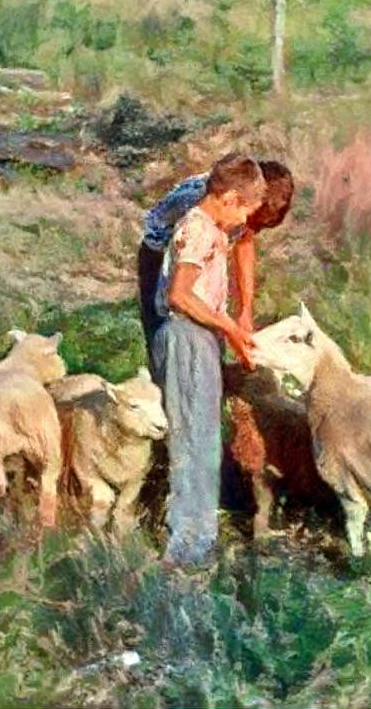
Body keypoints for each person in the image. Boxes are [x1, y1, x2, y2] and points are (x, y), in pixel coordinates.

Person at [148, 153, 267, 567]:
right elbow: (180, 294)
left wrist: (229, 327)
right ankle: (186, 550)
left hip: (200, 337)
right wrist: (230, 327)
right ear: (231, 199)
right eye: (246, 212)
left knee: (204, 439)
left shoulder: (212, 230)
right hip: (187, 336)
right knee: (193, 442)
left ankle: (197, 539)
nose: (244, 223)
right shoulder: (197, 229)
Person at [137, 159, 295, 362]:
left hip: (197, 253)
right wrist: (228, 327)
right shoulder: (202, 201)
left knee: (209, 323)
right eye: (251, 217)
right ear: (238, 199)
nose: (246, 224)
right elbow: (181, 287)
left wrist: (245, 311)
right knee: (166, 330)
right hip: (160, 252)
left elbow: (244, 242)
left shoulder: (241, 200)